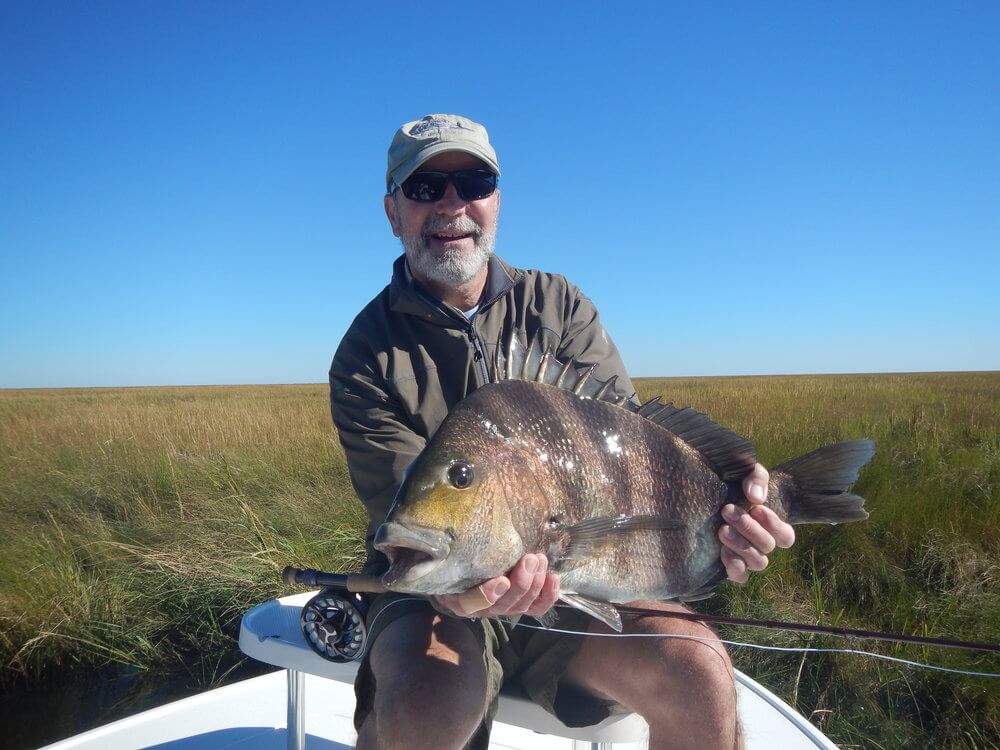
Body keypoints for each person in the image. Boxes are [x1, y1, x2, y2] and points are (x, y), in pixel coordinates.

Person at [329, 114, 796, 750]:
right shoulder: (366, 354)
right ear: (393, 211)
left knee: (699, 671)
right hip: (434, 592)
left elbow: (637, 460)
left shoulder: (560, 305)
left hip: (582, 582)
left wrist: (734, 523)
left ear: (496, 201)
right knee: (423, 704)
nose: (452, 205)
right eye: (425, 187)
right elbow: (407, 517)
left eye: (473, 182)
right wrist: (465, 590)